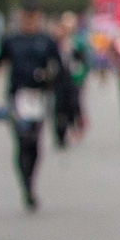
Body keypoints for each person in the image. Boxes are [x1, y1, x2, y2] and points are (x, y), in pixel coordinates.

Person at [0, 4, 64, 211]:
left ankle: (31, 179)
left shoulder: (47, 41)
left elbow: (58, 67)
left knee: (34, 143)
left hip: (39, 96)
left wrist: (51, 79)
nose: (30, 22)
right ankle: (26, 185)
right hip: (18, 97)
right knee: (23, 140)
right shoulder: (11, 40)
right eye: (26, 18)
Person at [50, 12, 90, 148]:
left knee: (73, 104)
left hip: (74, 80)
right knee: (59, 108)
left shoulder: (77, 42)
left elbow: (84, 61)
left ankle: (76, 124)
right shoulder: (54, 43)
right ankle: (60, 135)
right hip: (59, 80)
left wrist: (82, 77)